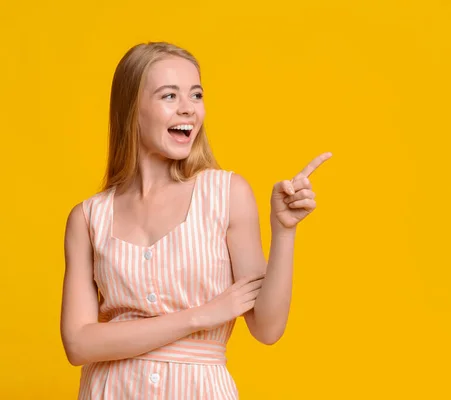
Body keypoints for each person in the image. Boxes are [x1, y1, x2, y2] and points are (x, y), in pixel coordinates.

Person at [59, 41, 332, 399]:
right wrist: (199, 316)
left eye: (196, 95)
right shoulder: (88, 218)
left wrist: (283, 231)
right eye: (169, 96)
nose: (188, 109)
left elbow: (267, 328)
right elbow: (78, 344)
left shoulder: (226, 194)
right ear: (132, 110)